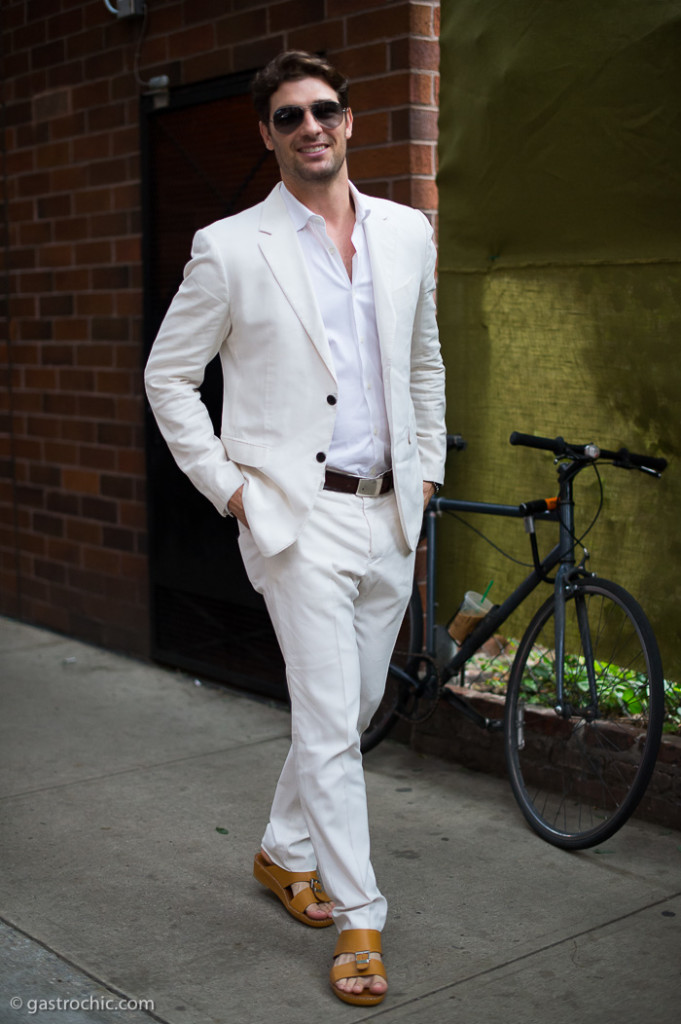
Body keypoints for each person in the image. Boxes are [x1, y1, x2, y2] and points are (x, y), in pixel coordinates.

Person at [144, 50, 446, 1007]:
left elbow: (425, 364)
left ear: (350, 121)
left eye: (323, 109)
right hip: (294, 517)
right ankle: (361, 917)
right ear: (267, 135)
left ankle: (281, 849)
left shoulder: (407, 234)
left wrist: (428, 476)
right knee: (328, 725)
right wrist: (231, 491)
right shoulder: (229, 246)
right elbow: (168, 378)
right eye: (288, 116)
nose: (310, 126)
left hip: (391, 509)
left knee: (346, 711)